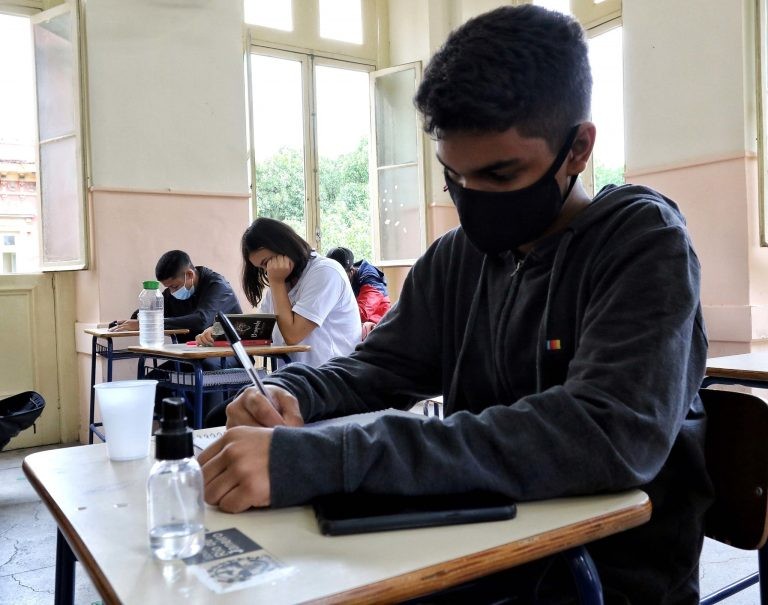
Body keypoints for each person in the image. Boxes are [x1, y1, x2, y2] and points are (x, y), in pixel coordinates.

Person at [198, 6, 710, 603]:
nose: (473, 200)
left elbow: (603, 434)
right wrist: (296, 396)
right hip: (478, 549)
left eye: (499, 173)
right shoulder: (455, 258)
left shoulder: (643, 244)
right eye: (454, 177)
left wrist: (325, 458)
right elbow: (379, 366)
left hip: (606, 571)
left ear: (578, 149)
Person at [196, 217, 360, 369]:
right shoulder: (283, 284)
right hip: (297, 378)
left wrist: (277, 282)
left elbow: (293, 335)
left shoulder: (325, 272)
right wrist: (220, 333)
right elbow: (259, 329)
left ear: (283, 247)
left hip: (331, 378)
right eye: (262, 267)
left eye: (267, 262)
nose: (267, 271)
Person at [111, 249, 242, 341]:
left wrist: (149, 323)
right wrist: (135, 319)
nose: (171, 292)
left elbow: (201, 321)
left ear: (189, 275)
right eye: (168, 287)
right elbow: (151, 312)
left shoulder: (217, 286)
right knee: (151, 377)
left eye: (174, 286)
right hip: (194, 353)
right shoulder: (174, 291)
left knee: (197, 372)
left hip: (229, 354)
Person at [326, 246, 391, 339]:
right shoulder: (339, 278)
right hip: (355, 328)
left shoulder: (371, 279)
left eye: (339, 275)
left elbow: (361, 314)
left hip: (378, 329)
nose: (334, 279)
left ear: (351, 272)